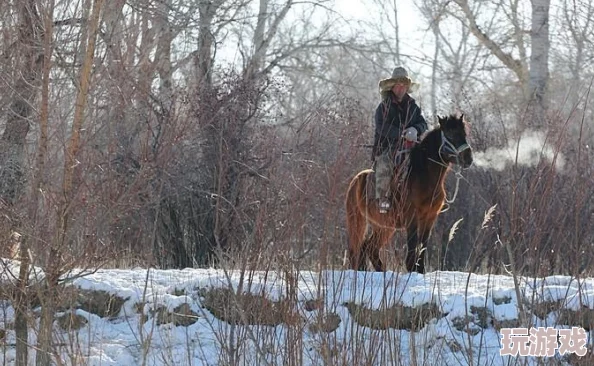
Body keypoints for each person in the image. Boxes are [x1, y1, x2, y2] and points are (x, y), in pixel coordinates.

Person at [372, 66, 428, 213]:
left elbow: (423, 123)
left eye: (403, 86)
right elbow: (381, 128)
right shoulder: (383, 107)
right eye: (398, 85)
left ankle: (428, 196)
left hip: (410, 148)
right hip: (387, 147)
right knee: (384, 163)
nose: (400, 88)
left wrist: (416, 129)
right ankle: (383, 199)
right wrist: (401, 134)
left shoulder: (413, 106)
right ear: (392, 87)